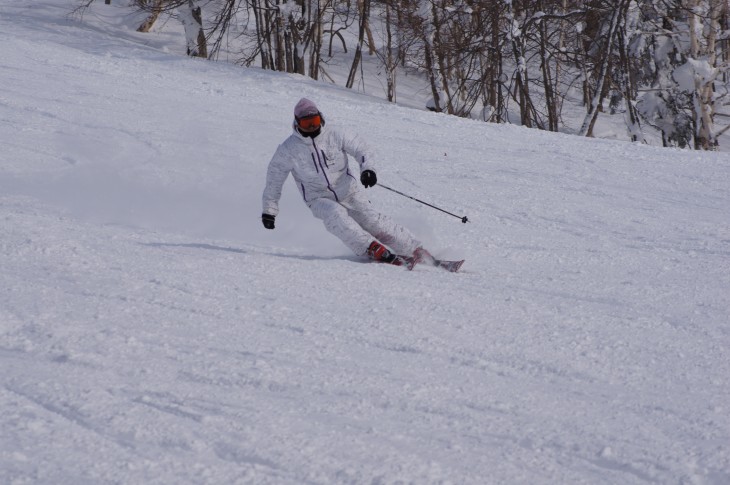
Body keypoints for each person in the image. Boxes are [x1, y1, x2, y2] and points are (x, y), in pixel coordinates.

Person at [261, 98, 431, 266]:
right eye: (307, 123)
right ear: (297, 123)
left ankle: (414, 250)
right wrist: (269, 210)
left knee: (372, 220)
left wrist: (368, 169)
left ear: (321, 118)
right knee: (335, 214)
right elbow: (274, 180)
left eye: (315, 121)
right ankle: (370, 248)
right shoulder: (288, 149)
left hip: (348, 191)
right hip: (318, 199)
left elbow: (362, 148)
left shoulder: (335, 135)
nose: (312, 126)